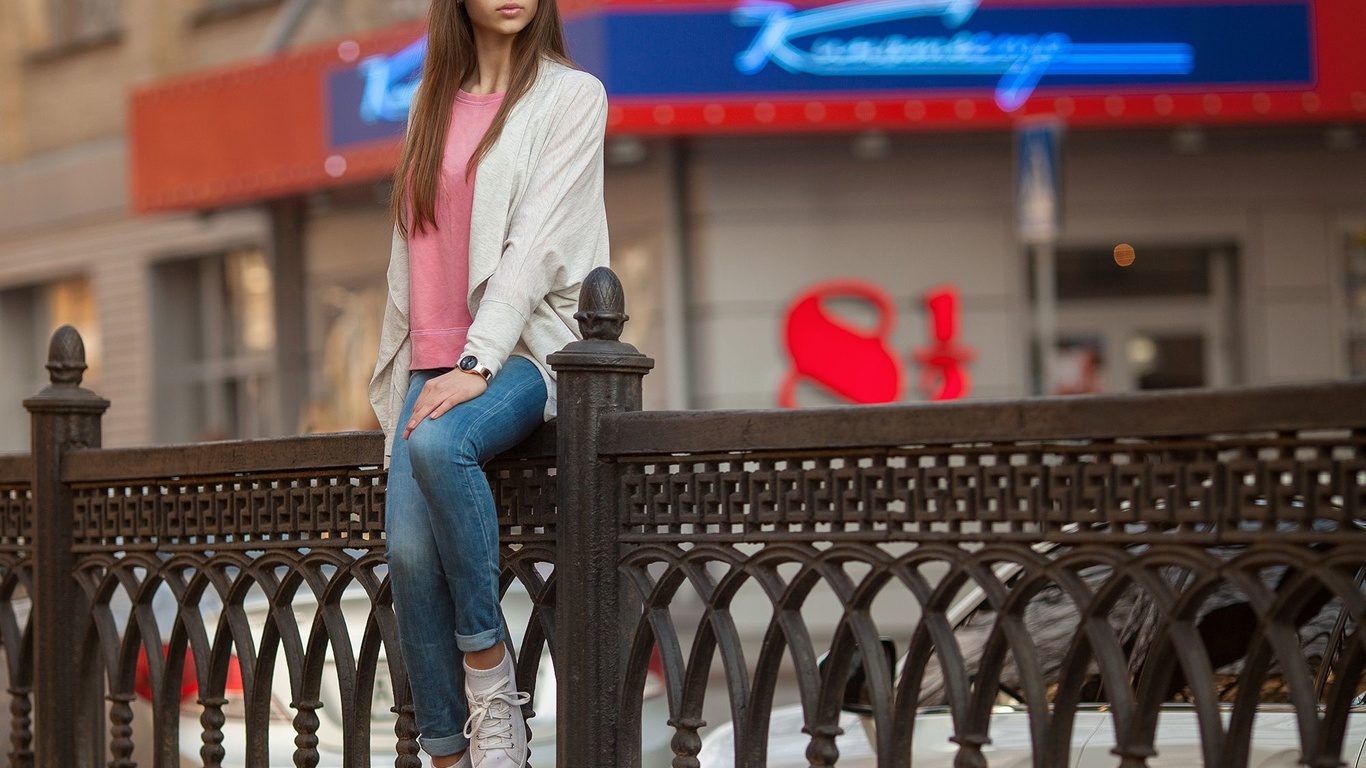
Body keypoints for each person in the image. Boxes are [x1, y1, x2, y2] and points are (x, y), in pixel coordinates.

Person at [367, 0, 609, 762]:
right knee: (407, 553)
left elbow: (536, 244)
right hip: (433, 362)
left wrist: (477, 362)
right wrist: (419, 361)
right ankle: (446, 752)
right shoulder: (428, 104)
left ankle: (491, 681)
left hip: (522, 354)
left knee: (440, 449)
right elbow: (413, 251)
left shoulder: (573, 97)